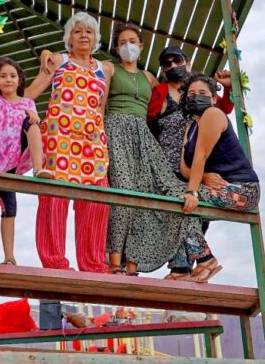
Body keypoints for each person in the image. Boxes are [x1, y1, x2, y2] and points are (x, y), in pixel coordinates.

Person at [103, 22, 209, 277]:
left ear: (141, 46)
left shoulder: (150, 78)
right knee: (123, 193)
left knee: (167, 192)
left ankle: (139, 265)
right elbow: (101, 104)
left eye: (132, 42)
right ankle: (115, 263)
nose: (128, 46)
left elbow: (168, 107)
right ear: (117, 48)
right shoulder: (109, 69)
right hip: (116, 130)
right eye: (122, 43)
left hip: (142, 137)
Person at [27, 12, 110, 273]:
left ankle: (93, 263)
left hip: (92, 144)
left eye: (88, 31)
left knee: (96, 202)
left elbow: (101, 109)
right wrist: (30, 116)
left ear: (96, 37)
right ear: (69, 39)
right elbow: (30, 95)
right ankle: (54, 261)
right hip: (59, 142)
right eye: (77, 31)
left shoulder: (104, 69)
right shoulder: (59, 60)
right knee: (54, 201)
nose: (83, 35)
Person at [166, 74, 260, 281]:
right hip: (215, 187)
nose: (196, 97)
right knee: (178, 202)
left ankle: (205, 259)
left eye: (202, 93)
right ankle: (181, 269)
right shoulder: (190, 128)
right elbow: (184, 168)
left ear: (214, 98)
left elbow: (201, 155)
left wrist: (192, 191)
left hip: (241, 189)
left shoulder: (213, 114)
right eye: (191, 94)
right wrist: (204, 177)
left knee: (179, 197)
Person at [0, 55, 52, 266]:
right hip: (0, 161)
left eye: (12, 76)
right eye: (3, 76)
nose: (8, 80)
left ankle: (38, 169)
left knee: (32, 123)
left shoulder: (27, 103)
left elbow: (32, 125)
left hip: (18, 155)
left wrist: (34, 118)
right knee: (9, 206)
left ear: (20, 80)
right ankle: (9, 256)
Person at [147, 46, 234, 174]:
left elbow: (224, 109)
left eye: (177, 60)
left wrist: (228, 88)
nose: (173, 65)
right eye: (167, 64)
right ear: (163, 71)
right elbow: (149, 121)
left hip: (203, 160)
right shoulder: (159, 93)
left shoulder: (200, 88)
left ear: (188, 64)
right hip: (169, 165)